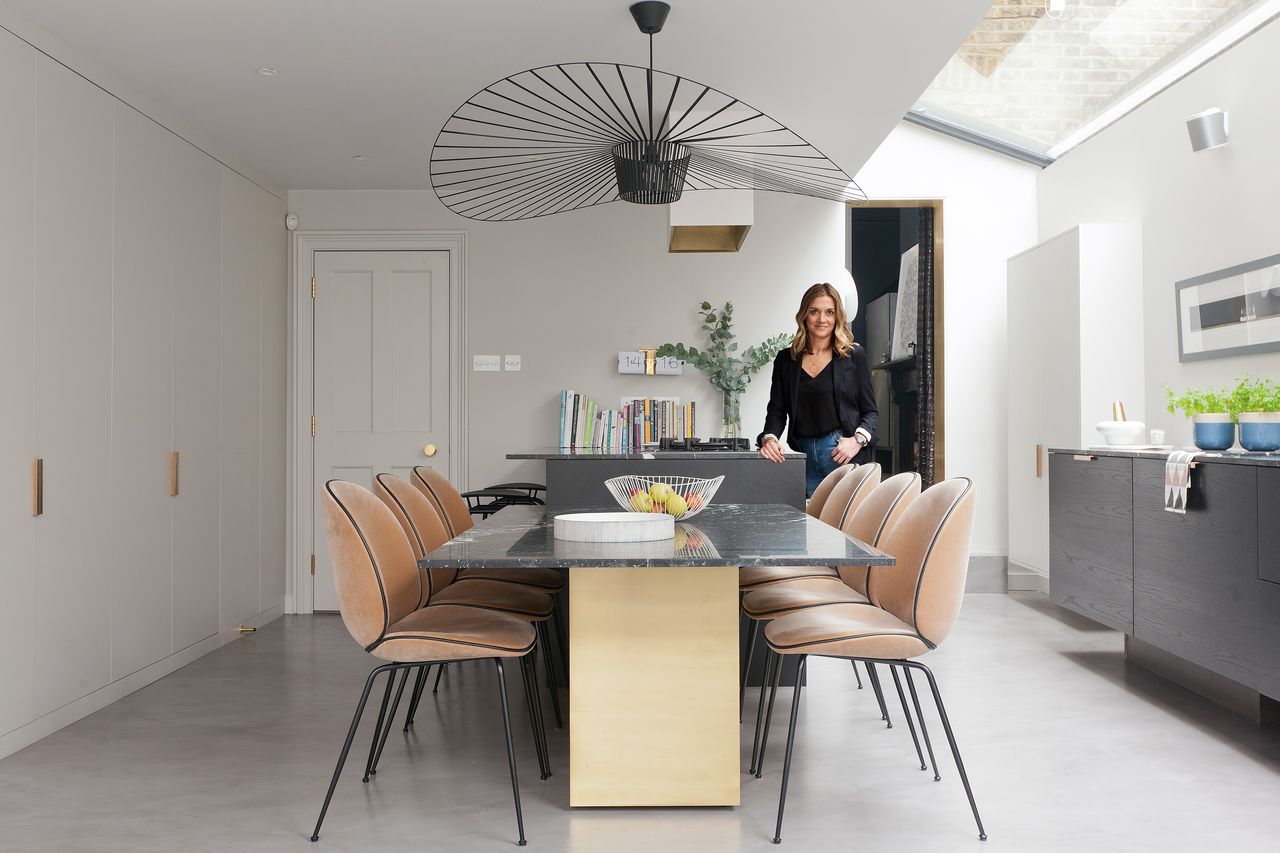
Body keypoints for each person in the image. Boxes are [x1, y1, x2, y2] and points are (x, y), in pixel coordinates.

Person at [757, 282, 878, 497]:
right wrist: (769, 439)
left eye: (829, 312)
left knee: (847, 527)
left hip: (843, 456)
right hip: (805, 459)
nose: (822, 319)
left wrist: (856, 441)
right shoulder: (786, 360)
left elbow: (870, 412)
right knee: (814, 528)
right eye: (814, 311)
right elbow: (776, 410)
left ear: (837, 316)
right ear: (804, 315)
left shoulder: (853, 355)